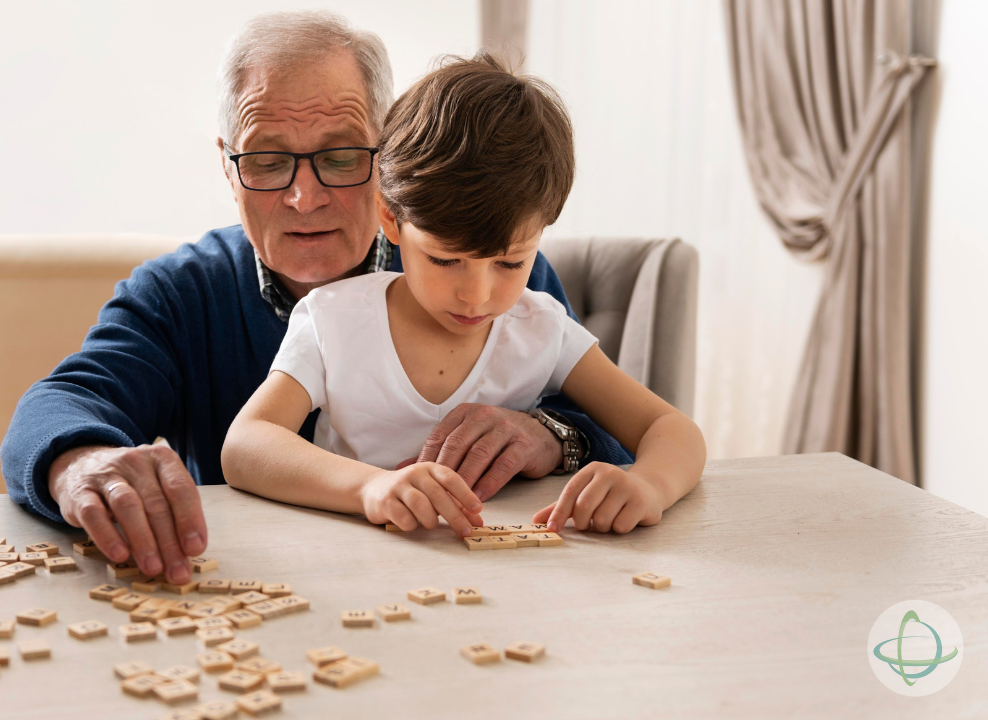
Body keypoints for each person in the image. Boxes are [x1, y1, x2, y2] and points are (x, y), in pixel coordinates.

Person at [0, 12, 634, 586]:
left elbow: (626, 434)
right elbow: (60, 404)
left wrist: (552, 436)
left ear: (388, 157)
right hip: (251, 605)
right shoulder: (180, 293)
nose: (305, 197)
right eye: (269, 162)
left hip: (474, 601)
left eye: (338, 155)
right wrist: (81, 462)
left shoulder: (495, 275)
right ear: (228, 167)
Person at [221, 54, 705, 537]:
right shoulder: (333, 321)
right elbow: (247, 444)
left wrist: (647, 485)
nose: (477, 296)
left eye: (512, 263)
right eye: (445, 260)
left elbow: (672, 429)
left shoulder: (541, 327)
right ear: (389, 217)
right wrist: (370, 488)